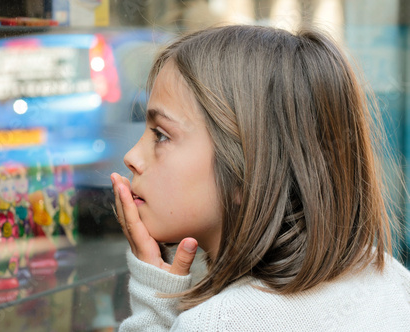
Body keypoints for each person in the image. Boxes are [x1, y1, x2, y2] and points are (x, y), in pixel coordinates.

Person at [110, 24, 410, 331]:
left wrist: (153, 302)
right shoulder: (390, 279)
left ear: (246, 169)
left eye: (160, 135)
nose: (132, 157)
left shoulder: (217, 323)